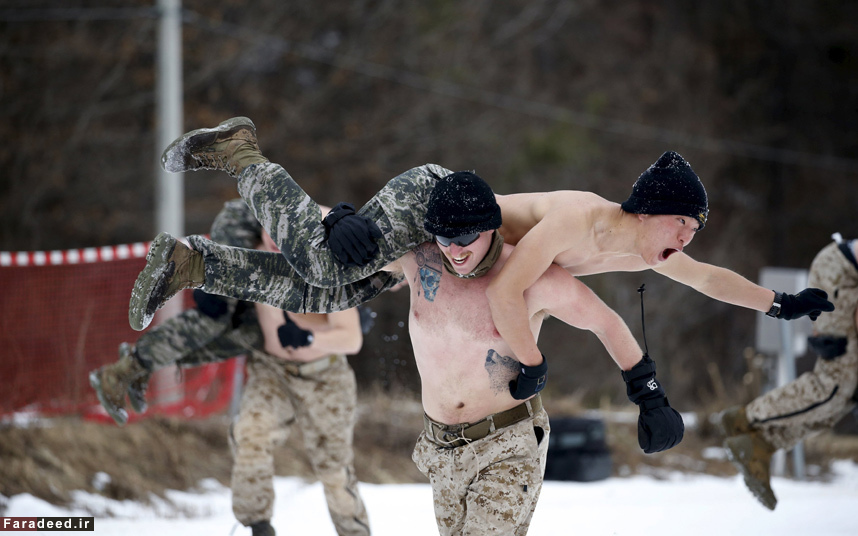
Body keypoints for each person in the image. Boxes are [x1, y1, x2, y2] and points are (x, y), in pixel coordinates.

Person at [130, 117, 832, 376]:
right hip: (434, 201)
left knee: (329, 290)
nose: (687, 241)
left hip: (457, 233)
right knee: (323, 259)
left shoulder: (647, 252)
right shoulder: (577, 221)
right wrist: (532, 361)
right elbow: (501, 291)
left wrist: (779, 304)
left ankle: (193, 262)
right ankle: (240, 152)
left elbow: (711, 281)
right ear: (653, 211)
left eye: (693, 233)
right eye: (685, 224)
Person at [363, 171, 682, 534]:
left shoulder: (533, 277)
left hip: (506, 444)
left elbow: (605, 323)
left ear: (491, 227)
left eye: (465, 237)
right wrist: (344, 221)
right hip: (441, 447)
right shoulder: (422, 262)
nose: (454, 250)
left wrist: (649, 396)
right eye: (444, 238)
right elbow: (345, 245)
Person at [91, 201, 371, 536]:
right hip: (272, 370)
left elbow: (351, 338)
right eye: (271, 234)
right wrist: (210, 286)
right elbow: (196, 249)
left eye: (287, 236)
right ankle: (258, 526)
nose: (277, 244)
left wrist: (308, 336)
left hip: (325, 375)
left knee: (334, 469)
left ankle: (355, 533)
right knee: (250, 434)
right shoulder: (249, 251)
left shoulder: (324, 261)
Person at [718, 233, 858, 511]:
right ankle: (744, 418)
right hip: (841, 272)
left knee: (847, 396)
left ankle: (758, 445)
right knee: (835, 385)